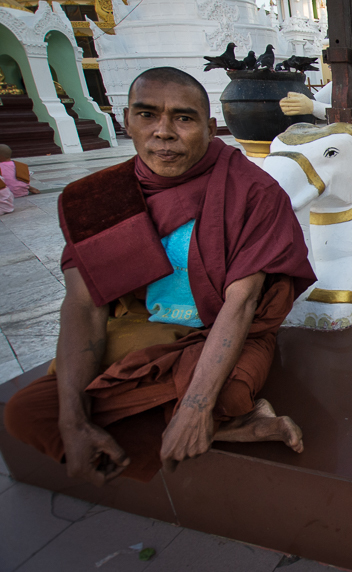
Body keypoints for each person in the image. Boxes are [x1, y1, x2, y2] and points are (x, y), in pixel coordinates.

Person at [4, 67, 317, 485]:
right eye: (147, 115)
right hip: (139, 330)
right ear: (125, 120)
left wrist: (196, 407)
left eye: (183, 119)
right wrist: (72, 421)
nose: (163, 132)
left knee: (225, 392)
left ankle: (207, 418)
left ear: (209, 127)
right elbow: (83, 305)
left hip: (220, 332)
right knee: (27, 413)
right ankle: (229, 428)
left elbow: (242, 303)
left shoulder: (251, 191)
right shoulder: (100, 197)